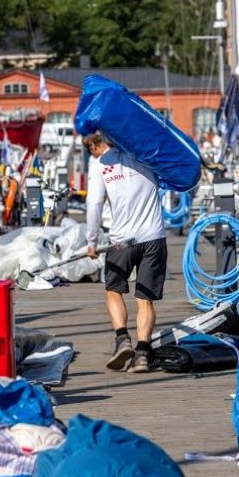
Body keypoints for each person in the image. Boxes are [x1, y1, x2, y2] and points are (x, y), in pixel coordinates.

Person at [85, 132, 167, 373]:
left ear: (96, 143)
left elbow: (94, 204)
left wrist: (91, 241)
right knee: (145, 298)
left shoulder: (101, 165)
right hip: (153, 236)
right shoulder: (146, 155)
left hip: (122, 241)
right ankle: (142, 353)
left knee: (113, 290)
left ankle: (122, 339)